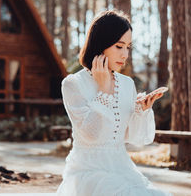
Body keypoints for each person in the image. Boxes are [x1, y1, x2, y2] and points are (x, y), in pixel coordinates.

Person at [56, 10, 172, 196]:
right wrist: (103, 90)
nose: (125, 54)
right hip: (88, 171)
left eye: (128, 47)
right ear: (101, 44)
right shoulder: (73, 84)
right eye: (119, 46)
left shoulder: (127, 84)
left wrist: (141, 111)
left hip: (122, 168)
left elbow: (128, 136)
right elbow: (92, 134)